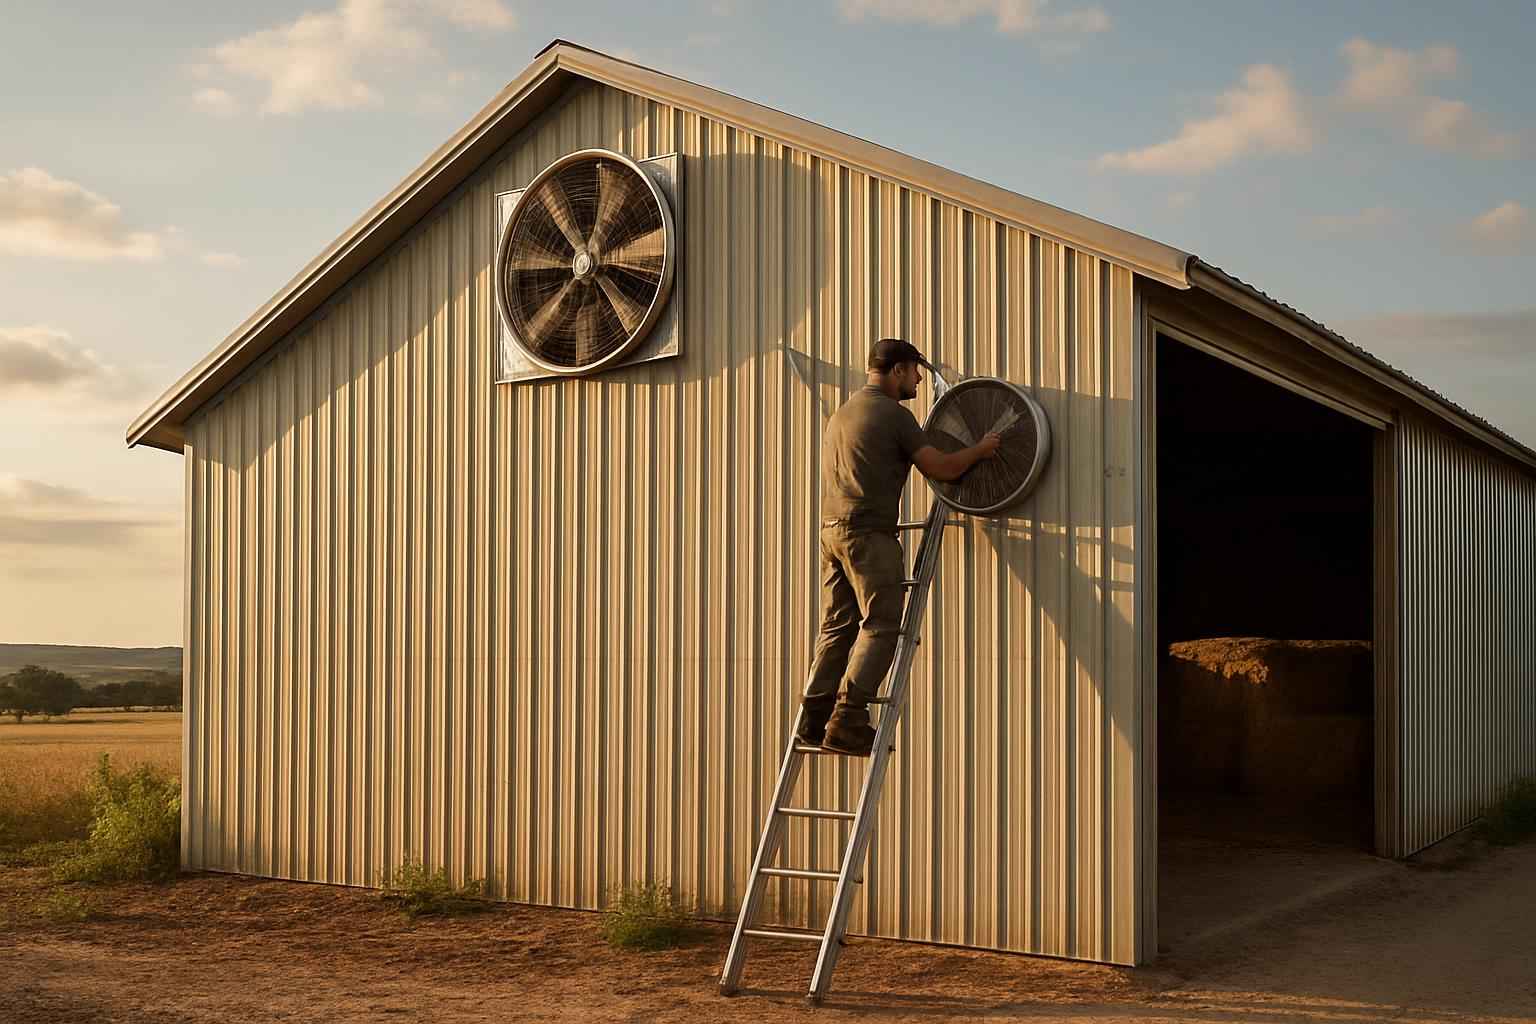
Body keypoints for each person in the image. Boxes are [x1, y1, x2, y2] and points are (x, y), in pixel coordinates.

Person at [800, 338, 1001, 756]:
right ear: (896, 371)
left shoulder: (842, 413)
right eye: (914, 370)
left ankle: (813, 718)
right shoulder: (894, 414)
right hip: (870, 536)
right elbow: (941, 467)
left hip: (831, 533)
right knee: (882, 625)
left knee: (837, 627)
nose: (919, 379)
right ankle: (849, 720)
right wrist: (982, 450)